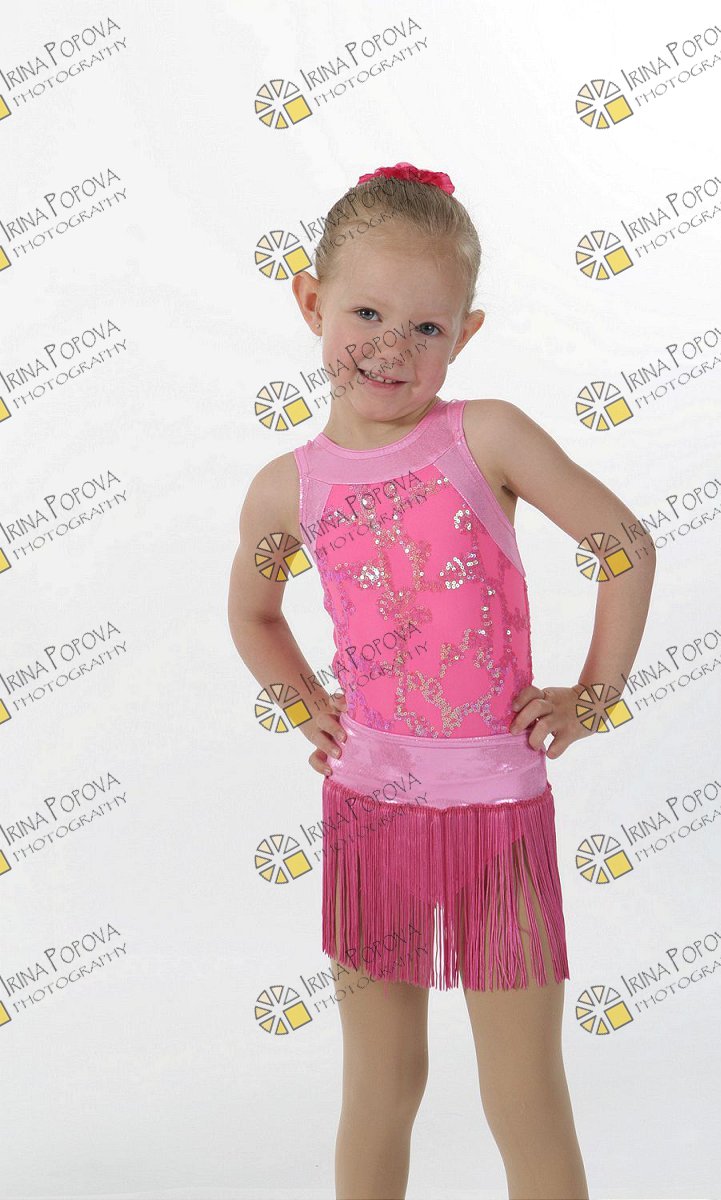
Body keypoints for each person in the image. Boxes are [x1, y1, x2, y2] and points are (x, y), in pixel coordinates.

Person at [228, 161, 657, 1200]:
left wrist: (593, 695)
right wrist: (305, 705)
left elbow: (623, 546)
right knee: (382, 1083)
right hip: (368, 813)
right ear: (311, 303)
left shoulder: (485, 437)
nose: (392, 346)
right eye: (366, 314)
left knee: (523, 1093)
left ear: (464, 334)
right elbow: (253, 613)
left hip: (496, 815)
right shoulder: (287, 488)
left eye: (426, 327)